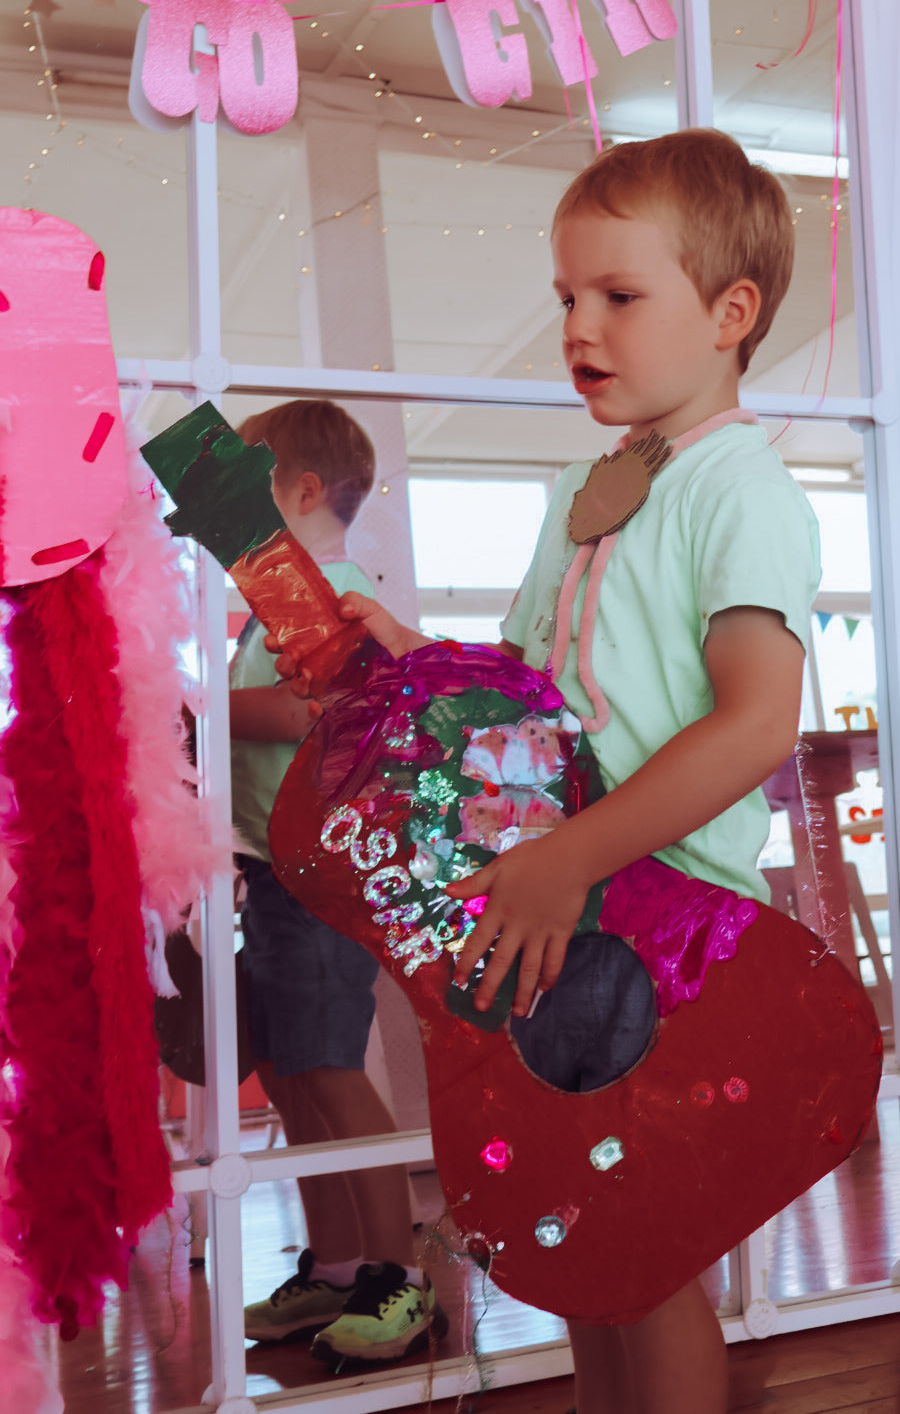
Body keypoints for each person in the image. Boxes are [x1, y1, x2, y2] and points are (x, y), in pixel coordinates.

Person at [277, 130, 820, 1413]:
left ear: (731, 313)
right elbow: (536, 693)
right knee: (578, 1241)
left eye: (618, 297)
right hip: (562, 918)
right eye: (567, 298)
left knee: (649, 1255)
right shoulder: (585, 486)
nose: (578, 325)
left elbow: (755, 725)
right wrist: (410, 653)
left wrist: (569, 857)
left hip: (663, 927)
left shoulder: (739, 491)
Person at [230, 400, 444, 1366]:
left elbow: (296, 710)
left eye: (240, 488)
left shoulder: (326, 589)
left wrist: (192, 706)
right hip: (276, 872)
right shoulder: (279, 592)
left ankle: (399, 1275)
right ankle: (335, 1264)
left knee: (326, 1066)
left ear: (302, 492)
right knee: (288, 1070)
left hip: (319, 871)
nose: (217, 515)